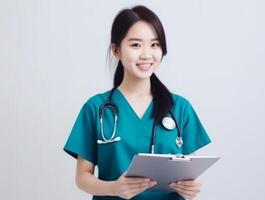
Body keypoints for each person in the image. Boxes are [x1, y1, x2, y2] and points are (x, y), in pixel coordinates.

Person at [63, 5, 211, 200]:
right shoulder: (96, 108)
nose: (146, 55)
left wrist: (191, 188)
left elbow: (190, 174)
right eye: (135, 45)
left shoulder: (180, 108)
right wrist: (115, 188)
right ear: (116, 50)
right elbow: (82, 178)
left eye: (155, 44)